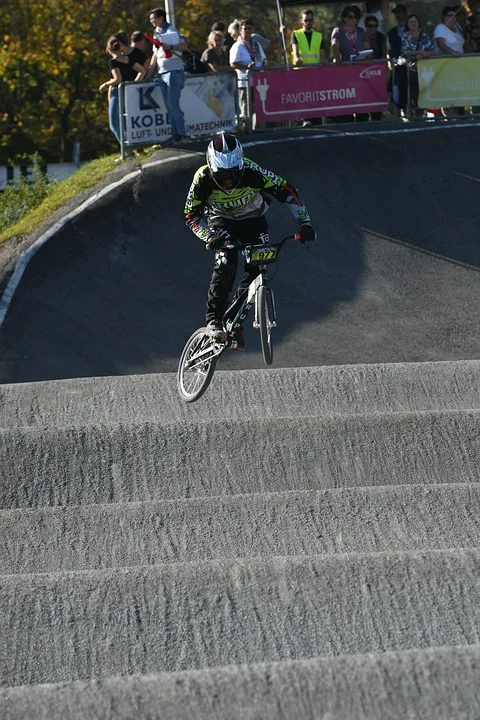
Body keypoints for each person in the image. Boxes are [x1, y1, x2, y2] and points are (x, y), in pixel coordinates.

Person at [184, 133, 316, 349]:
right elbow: (191, 215)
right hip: (221, 222)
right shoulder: (202, 179)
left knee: (256, 268)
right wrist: (209, 237)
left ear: (242, 166)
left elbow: (288, 191)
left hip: (253, 220)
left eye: (234, 174)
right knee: (225, 262)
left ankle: (234, 324)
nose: (228, 181)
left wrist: (305, 224)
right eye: (223, 175)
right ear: (211, 167)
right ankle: (214, 321)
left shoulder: (254, 172)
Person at [145, 7, 189, 143]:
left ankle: (182, 133)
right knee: (169, 106)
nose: (152, 22)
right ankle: (175, 134)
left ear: (161, 18)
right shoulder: (156, 32)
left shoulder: (171, 31)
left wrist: (170, 47)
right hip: (162, 73)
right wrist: (150, 71)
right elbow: (155, 54)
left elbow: (184, 46)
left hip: (174, 71)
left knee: (173, 104)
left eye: (154, 19)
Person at [99, 35, 147, 158]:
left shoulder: (113, 62)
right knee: (128, 122)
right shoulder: (128, 59)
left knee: (114, 124)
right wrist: (133, 84)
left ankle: (127, 150)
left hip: (118, 92)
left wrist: (105, 84)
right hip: (128, 92)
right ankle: (133, 147)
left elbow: (117, 79)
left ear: (109, 49)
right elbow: (142, 71)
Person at [230, 18, 267, 125]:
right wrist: (246, 67)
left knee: (259, 108)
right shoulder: (237, 46)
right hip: (244, 82)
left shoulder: (256, 45)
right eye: (244, 29)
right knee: (246, 109)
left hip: (258, 82)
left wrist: (263, 64)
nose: (247, 31)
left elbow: (263, 59)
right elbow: (233, 63)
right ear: (240, 30)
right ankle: (247, 129)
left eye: (249, 29)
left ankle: (259, 129)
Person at [399, 14, 435, 115]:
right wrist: (419, 53)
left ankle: (422, 110)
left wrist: (425, 54)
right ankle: (411, 111)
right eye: (411, 22)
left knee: (423, 90)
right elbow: (405, 52)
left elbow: (432, 51)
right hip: (410, 68)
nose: (413, 24)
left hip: (424, 68)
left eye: (415, 21)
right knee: (412, 89)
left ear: (418, 23)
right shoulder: (405, 36)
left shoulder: (424, 35)